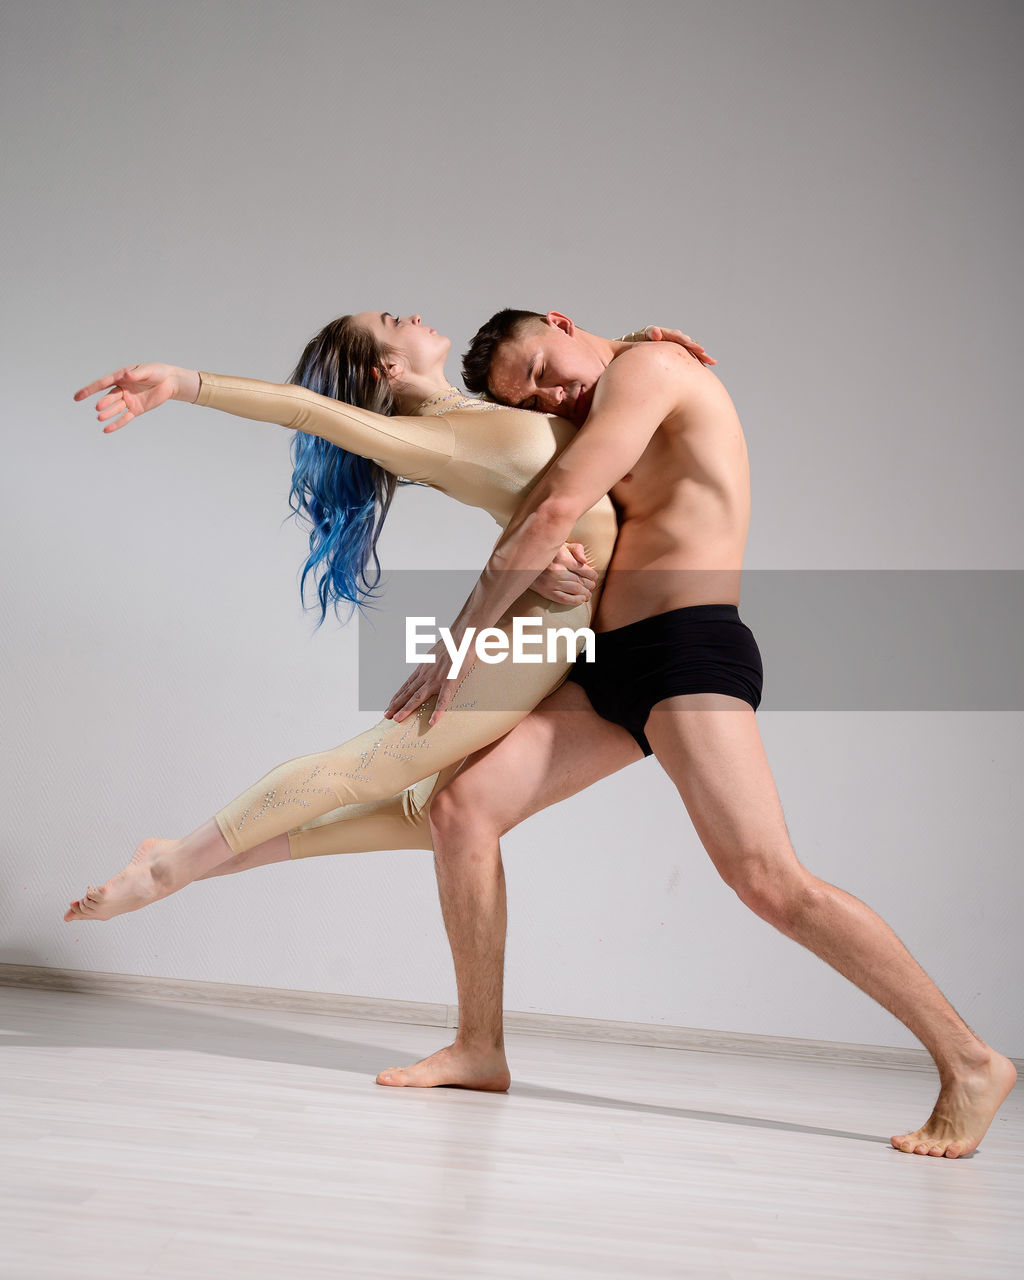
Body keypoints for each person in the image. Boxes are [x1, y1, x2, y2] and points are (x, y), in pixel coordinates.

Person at [374, 308, 1017, 1160]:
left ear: (564, 321)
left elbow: (554, 504)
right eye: (532, 396)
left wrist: (461, 645)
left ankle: (970, 1061)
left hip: (687, 647)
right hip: (612, 664)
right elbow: (547, 508)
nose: (551, 394)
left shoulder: (649, 370)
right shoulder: (596, 405)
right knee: (462, 812)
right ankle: (479, 1046)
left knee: (767, 879)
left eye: (542, 367)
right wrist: (563, 557)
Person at [65, 313, 707, 919]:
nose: (412, 317)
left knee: (423, 817)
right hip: (523, 638)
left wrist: (630, 350)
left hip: (563, 632)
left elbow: (560, 458)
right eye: (392, 323)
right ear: (386, 370)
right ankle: (169, 869)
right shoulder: (424, 435)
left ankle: (181, 862)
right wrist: (184, 383)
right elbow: (306, 408)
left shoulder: (485, 411)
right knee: (371, 768)